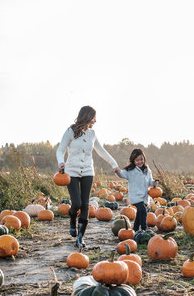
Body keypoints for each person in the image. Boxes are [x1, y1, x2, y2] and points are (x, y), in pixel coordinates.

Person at [56, 106, 120, 247]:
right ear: (86, 116)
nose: (95, 121)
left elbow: (101, 151)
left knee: (85, 204)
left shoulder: (92, 134)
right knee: (77, 203)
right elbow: (60, 149)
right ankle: (72, 218)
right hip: (71, 172)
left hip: (87, 172)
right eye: (93, 118)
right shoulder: (70, 131)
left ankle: (80, 237)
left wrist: (114, 164)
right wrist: (61, 163)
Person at [115, 149, 158, 232]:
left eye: (141, 159)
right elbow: (122, 173)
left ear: (144, 159)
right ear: (133, 161)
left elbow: (150, 181)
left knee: (139, 213)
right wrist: (118, 172)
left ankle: (135, 228)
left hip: (144, 197)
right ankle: (143, 229)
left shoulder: (147, 170)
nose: (140, 162)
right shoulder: (130, 170)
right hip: (135, 196)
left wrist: (154, 183)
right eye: (137, 160)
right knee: (143, 211)